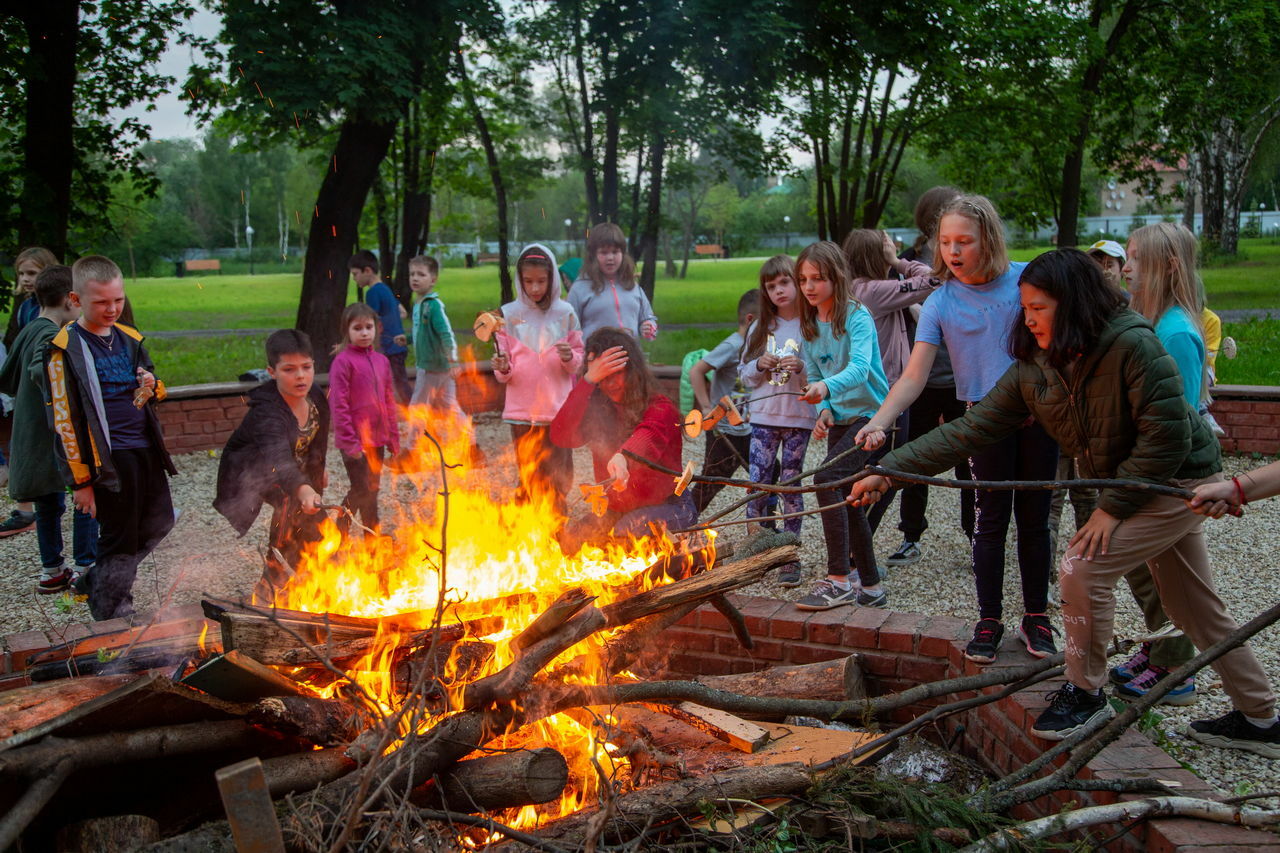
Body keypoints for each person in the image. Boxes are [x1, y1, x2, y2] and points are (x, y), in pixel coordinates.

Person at [852, 248, 1279, 756]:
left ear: (1073, 303)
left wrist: (1109, 508)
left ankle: (1086, 691)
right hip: (1132, 485)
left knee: (1081, 565)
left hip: (1176, 482)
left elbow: (1165, 439)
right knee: (1196, 609)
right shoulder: (1037, 366)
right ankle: (1263, 720)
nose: (1028, 318)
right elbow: (970, 429)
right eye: (1024, 308)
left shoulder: (1133, 345)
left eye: (1039, 307)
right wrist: (890, 473)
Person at [856, 195, 1059, 663]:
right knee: (989, 522)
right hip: (982, 420)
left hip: (1036, 418)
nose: (953, 251)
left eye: (963, 241)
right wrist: (880, 422)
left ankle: (1036, 617)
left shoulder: (1028, 281)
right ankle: (988, 619)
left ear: (988, 238)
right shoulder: (940, 301)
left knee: (1033, 519)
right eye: (945, 242)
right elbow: (913, 376)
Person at [45, 256, 175, 620]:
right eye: (101, 302)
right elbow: (63, 420)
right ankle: (113, 612)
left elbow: (154, 384)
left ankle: (97, 580)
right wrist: (80, 482)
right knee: (119, 536)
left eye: (117, 300)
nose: (112, 309)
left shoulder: (130, 338)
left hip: (144, 451)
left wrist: (153, 386)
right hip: (107, 461)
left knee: (161, 520)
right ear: (76, 300)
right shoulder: (63, 348)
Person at [1106, 222, 1204, 704]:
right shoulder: (1151, 321)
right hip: (1147, 471)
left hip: (1168, 478)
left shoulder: (1177, 333)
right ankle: (1160, 647)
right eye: (1127, 255)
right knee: (1149, 571)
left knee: (1172, 577)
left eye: (1136, 257)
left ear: (1167, 265)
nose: (1126, 267)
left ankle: (1177, 669)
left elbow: (1176, 421)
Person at [793, 241, 889, 611]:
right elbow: (815, 371)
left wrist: (825, 388)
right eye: (803, 279)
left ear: (837, 277)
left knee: (825, 480)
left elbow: (861, 368)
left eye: (818, 278)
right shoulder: (809, 323)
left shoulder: (856, 316)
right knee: (850, 500)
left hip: (873, 416)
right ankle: (871, 586)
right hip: (843, 416)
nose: (809, 287)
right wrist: (825, 408)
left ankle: (838, 579)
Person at [0, 265, 97, 593]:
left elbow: (8, 376)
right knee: (86, 493)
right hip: (52, 437)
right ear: (71, 300)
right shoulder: (49, 335)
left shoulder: (30, 327)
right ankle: (87, 567)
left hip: (36, 437)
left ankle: (52, 571)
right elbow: (42, 373)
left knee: (49, 504)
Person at [214, 329, 330, 602]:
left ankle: (308, 580)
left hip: (292, 470)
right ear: (272, 371)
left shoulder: (314, 394)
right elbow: (279, 460)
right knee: (292, 513)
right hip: (255, 471)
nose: (300, 376)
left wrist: (318, 470)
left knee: (312, 522)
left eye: (306, 367)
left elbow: (319, 439)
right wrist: (302, 489)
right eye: (289, 369)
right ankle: (269, 588)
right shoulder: (267, 412)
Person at [891, 187, 974, 568]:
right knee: (916, 457)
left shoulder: (968, 263)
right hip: (922, 378)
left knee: (969, 460)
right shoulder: (906, 263)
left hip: (964, 379)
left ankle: (976, 534)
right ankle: (911, 534)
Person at [550, 328, 692, 544]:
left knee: (626, 532)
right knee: (572, 541)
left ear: (633, 371)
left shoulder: (661, 406)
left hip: (670, 506)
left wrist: (623, 457)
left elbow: (648, 435)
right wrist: (587, 381)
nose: (610, 384)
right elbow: (561, 436)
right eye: (602, 377)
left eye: (616, 373)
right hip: (616, 510)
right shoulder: (599, 409)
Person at [842, 228, 940, 536]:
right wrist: (897, 261)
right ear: (876, 256)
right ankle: (857, 549)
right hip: (887, 394)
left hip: (874, 392)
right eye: (885, 249)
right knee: (886, 473)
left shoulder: (860, 289)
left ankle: (853, 547)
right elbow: (935, 278)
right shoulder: (873, 291)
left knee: (870, 473)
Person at [739, 255, 815, 587]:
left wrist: (804, 368)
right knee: (758, 483)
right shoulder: (760, 327)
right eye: (771, 286)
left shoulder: (814, 326)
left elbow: (827, 373)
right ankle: (755, 550)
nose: (779, 291)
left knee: (790, 486)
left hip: (799, 417)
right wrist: (758, 365)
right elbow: (743, 375)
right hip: (764, 417)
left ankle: (788, 555)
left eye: (785, 282)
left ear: (798, 282)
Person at [491, 244, 583, 514]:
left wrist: (569, 357)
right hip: (522, 412)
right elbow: (502, 370)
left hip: (557, 411)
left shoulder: (566, 313)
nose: (534, 288)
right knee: (529, 473)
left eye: (541, 281)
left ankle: (558, 522)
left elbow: (577, 361)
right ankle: (527, 525)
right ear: (519, 280)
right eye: (528, 281)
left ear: (552, 278)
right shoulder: (507, 315)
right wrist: (502, 366)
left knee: (560, 474)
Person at [0, 246, 58, 537]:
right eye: (21, 273)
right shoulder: (25, 309)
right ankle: (25, 509)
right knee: (26, 445)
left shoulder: (58, 309)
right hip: (30, 391)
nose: (25, 279)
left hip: (51, 390)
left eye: (32, 273)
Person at [329, 303, 400, 534]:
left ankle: (371, 537)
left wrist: (393, 436)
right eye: (357, 328)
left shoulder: (382, 361)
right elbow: (339, 405)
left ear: (376, 329)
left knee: (373, 488)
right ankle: (344, 531)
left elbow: (389, 400)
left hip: (377, 439)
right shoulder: (342, 362)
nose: (364, 333)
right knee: (361, 490)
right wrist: (350, 442)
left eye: (368, 327)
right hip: (355, 442)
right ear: (347, 331)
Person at [688, 290, 758, 515]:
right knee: (711, 482)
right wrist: (707, 407)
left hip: (746, 429)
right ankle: (680, 522)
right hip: (724, 431)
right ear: (750, 320)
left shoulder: (753, 348)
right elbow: (696, 371)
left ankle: (763, 523)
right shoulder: (733, 345)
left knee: (768, 472)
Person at [566, 223, 658, 341]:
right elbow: (569, 329)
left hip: (631, 355)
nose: (610, 257)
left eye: (615, 252)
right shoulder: (580, 288)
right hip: (595, 357)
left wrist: (649, 327)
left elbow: (648, 317)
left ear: (623, 254)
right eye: (604, 252)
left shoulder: (632, 286)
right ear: (593, 256)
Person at [350, 250, 410, 403]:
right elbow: (402, 312)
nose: (354, 279)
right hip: (398, 346)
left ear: (368, 271)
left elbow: (369, 322)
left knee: (395, 385)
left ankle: (416, 416)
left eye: (355, 274)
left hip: (388, 347)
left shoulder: (372, 293)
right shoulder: (385, 288)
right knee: (398, 383)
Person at [405, 255, 463, 415]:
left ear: (433, 280)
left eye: (421, 274)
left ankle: (414, 440)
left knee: (417, 407)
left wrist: (453, 360)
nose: (415, 278)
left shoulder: (433, 306)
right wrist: (408, 339)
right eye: (412, 274)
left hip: (432, 367)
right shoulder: (419, 303)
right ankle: (468, 436)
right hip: (434, 366)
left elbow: (446, 334)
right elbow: (422, 332)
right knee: (449, 405)